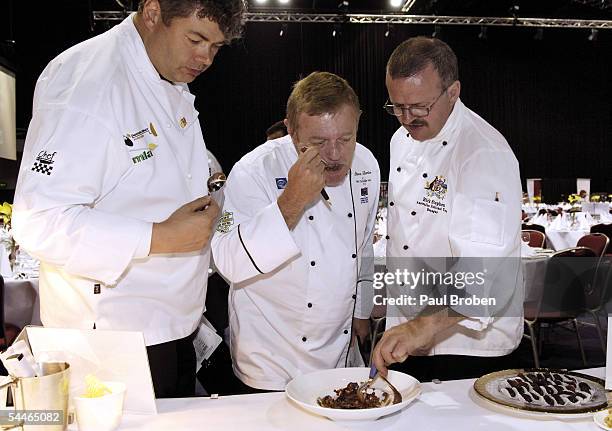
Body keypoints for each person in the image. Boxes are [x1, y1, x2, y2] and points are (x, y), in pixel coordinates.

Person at [11, 0, 246, 398]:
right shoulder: (90, 83)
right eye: (196, 39)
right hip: (115, 341)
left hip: (175, 327)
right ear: (153, 12)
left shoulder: (165, 74)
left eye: (217, 47)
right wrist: (157, 236)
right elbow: (38, 220)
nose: (205, 58)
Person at [211, 72, 380, 392]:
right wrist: (291, 202)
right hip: (270, 362)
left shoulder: (367, 166)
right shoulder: (249, 171)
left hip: (339, 358)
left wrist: (362, 309)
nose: (334, 154)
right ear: (291, 129)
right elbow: (224, 255)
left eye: (345, 139)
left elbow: (364, 245)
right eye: (318, 142)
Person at [373, 37, 522, 382]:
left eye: (419, 107)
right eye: (397, 106)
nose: (407, 119)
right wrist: (406, 324)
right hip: (412, 329)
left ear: (453, 92)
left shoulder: (483, 154)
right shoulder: (402, 139)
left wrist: (422, 325)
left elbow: (482, 270)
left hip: (466, 345)